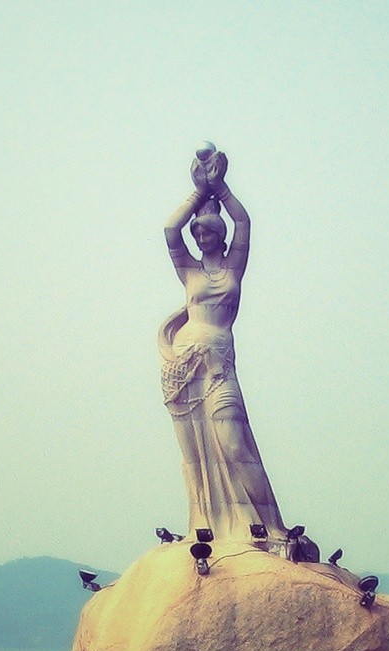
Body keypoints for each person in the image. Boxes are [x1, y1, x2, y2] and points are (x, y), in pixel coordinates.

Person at [159, 146, 286, 549]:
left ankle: (267, 526)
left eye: (208, 231)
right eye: (198, 233)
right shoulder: (189, 271)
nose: (201, 236)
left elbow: (244, 221)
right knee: (195, 456)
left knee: (233, 443)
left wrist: (221, 188)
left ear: (220, 234)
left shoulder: (233, 267)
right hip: (183, 367)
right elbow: (170, 230)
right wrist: (198, 193)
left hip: (219, 366)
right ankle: (206, 525)